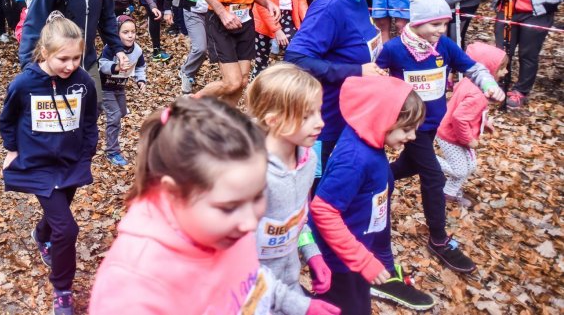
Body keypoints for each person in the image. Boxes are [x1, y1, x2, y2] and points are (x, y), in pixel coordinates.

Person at [90, 96, 338, 314]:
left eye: (257, 196)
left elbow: (249, 279)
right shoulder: (133, 288)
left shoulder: (228, 230)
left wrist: (298, 305)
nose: (251, 222)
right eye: (229, 207)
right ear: (173, 193)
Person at [376, 0, 503, 274]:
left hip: (433, 123)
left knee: (409, 164)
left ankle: (375, 180)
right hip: (411, 127)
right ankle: (438, 239)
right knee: (432, 176)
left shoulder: (444, 47)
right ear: (417, 23)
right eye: (435, 24)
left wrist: (490, 86)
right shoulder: (394, 49)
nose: (441, 29)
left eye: (444, 23)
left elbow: (472, 68)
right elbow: (378, 80)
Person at [0, 13, 97, 315]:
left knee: (58, 216)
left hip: (71, 163)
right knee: (67, 229)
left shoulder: (82, 82)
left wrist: (86, 154)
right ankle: (63, 290)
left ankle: (41, 234)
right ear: (45, 53)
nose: (70, 65)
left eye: (76, 58)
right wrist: (13, 149)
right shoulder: (25, 83)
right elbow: (8, 118)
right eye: (63, 58)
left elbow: (90, 120)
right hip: (39, 165)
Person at [310, 76, 433, 314]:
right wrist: (362, 260)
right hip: (341, 261)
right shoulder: (355, 160)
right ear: (381, 118)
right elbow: (323, 210)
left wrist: (377, 256)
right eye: (407, 129)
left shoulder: (372, 142)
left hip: (358, 253)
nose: (413, 137)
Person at [285, 0, 391, 174]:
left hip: (351, 119)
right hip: (324, 125)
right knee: (318, 198)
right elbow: (296, 59)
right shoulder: (331, 6)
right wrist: (357, 71)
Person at [247, 64, 336, 314]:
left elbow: (296, 218)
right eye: (307, 116)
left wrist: (311, 252)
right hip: (252, 300)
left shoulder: (308, 159)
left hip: (290, 286)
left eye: (318, 111)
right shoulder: (252, 177)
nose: (320, 123)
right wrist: (300, 306)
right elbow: (236, 264)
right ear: (274, 120)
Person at [19, 0, 129, 111]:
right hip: (60, 66)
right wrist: (29, 71)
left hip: (89, 61)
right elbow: (32, 29)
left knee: (93, 110)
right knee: (65, 118)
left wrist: (118, 49)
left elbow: (107, 16)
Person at [436, 42, 507, 207]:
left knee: (470, 166)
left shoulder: (470, 81)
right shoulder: (478, 93)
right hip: (449, 135)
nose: (506, 72)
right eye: (502, 68)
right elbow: (459, 118)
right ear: (490, 68)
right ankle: (425, 160)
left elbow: (468, 110)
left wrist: (484, 123)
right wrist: (469, 140)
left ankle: (449, 192)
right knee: (460, 169)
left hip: (456, 132)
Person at [98, 15, 147, 166]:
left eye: (133, 31)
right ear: (117, 33)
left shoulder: (137, 50)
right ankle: (112, 151)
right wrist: (116, 67)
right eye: (125, 32)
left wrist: (141, 80)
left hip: (119, 87)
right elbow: (101, 64)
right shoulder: (110, 48)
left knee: (122, 112)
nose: (130, 35)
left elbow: (140, 66)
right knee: (115, 116)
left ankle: (93, 115)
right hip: (104, 86)